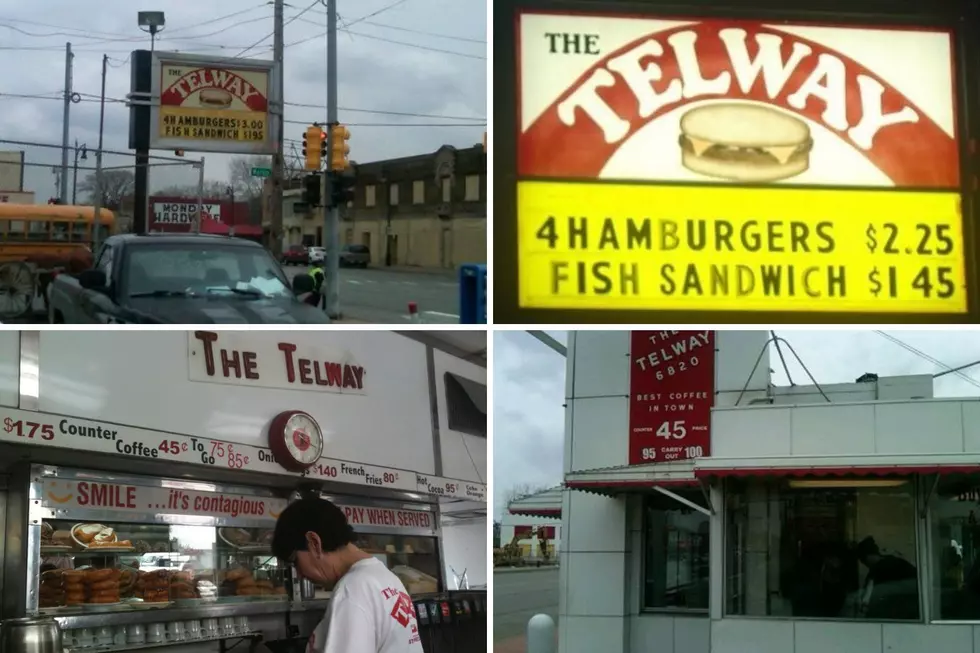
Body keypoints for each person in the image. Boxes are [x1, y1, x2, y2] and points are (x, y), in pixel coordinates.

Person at [272, 496, 423, 653]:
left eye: (295, 562)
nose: (300, 575)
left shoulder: (352, 589)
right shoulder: (386, 578)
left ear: (315, 543)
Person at [856, 536, 918, 619]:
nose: (865, 564)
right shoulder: (896, 562)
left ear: (867, 557)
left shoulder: (879, 569)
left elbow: (870, 597)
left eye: (863, 561)